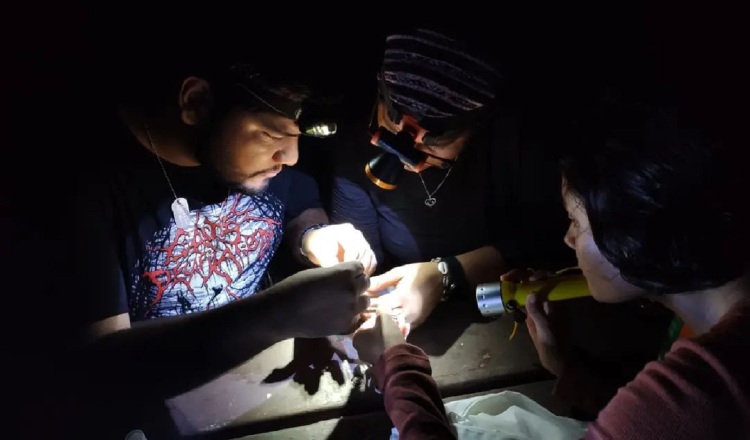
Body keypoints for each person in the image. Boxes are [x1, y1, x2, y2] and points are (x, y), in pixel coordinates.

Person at [39, 35, 376, 437]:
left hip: (263, 396)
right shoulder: (80, 183)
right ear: (195, 102)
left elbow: (299, 207)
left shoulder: (252, 155)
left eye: (296, 137)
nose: (289, 157)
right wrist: (277, 315)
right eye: (272, 136)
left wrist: (315, 237)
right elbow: (101, 366)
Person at [353, 102, 750, 439]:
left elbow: (656, 418)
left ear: (634, 235)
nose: (567, 241)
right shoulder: (708, 327)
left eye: (577, 224)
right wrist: (567, 367)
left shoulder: (705, 388)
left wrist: (397, 363)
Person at [329, 27, 571, 327]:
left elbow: (547, 239)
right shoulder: (355, 141)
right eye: (393, 129)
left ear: (477, 126)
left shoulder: (517, 144)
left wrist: (447, 274)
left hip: (506, 318)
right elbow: (363, 260)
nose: (410, 160)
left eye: (433, 142)